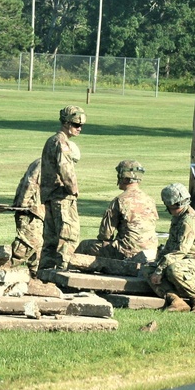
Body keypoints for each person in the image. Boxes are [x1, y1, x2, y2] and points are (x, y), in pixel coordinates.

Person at [146, 182, 195, 313]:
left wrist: (160, 270)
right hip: (181, 261)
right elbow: (170, 245)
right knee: (147, 269)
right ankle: (175, 300)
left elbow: (180, 250)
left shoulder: (189, 220)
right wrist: (157, 264)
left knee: (174, 269)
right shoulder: (178, 217)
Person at [76, 159, 158, 261]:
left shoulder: (120, 200)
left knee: (85, 246)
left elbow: (105, 235)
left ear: (123, 177)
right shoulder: (150, 200)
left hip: (127, 252)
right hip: (150, 251)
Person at [38, 105, 85, 273]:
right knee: (68, 237)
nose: (79, 128)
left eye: (80, 125)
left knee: (50, 239)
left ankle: (44, 273)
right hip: (61, 196)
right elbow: (65, 168)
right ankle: (63, 274)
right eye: (75, 124)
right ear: (65, 123)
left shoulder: (52, 140)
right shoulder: (61, 142)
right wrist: (74, 189)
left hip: (51, 196)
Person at [10, 158, 45, 273]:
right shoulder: (43, 164)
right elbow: (31, 183)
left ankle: (36, 274)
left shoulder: (44, 162)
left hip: (37, 212)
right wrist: (23, 205)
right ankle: (2, 268)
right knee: (26, 245)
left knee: (38, 248)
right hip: (30, 212)